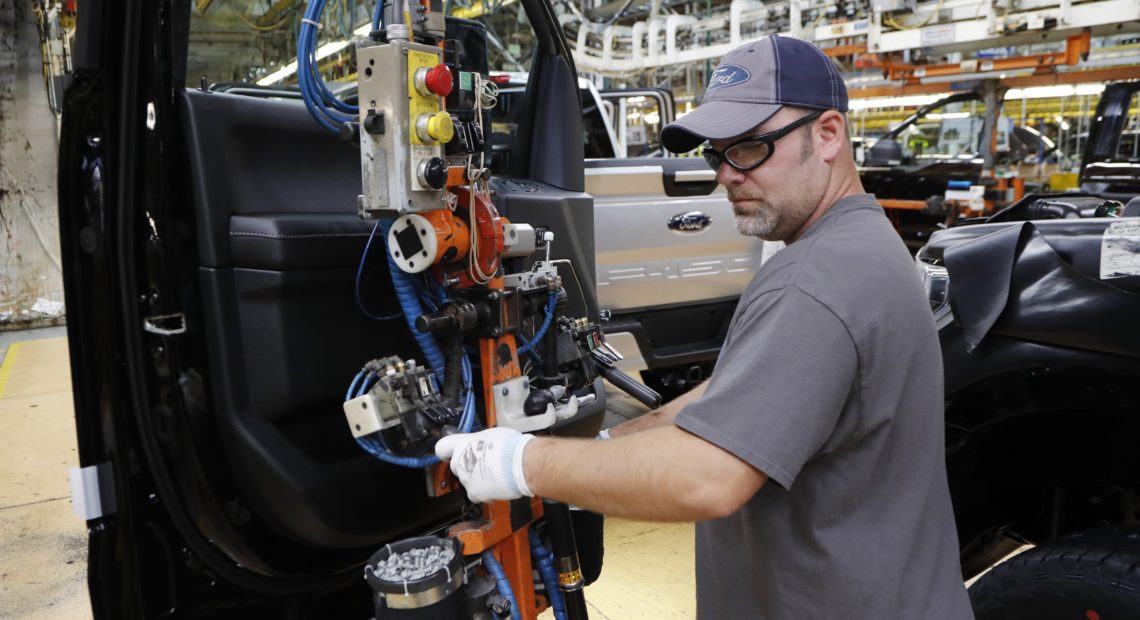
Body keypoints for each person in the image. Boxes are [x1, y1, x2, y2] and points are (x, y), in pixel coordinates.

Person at [436, 35, 975, 619]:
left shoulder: (815, 280)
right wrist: (607, 449)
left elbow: (708, 478)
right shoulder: (862, 244)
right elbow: (728, 398)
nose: (725, 175)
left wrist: (516, 463)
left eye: (747, 148)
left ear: (828, 136)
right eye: (717, 153)